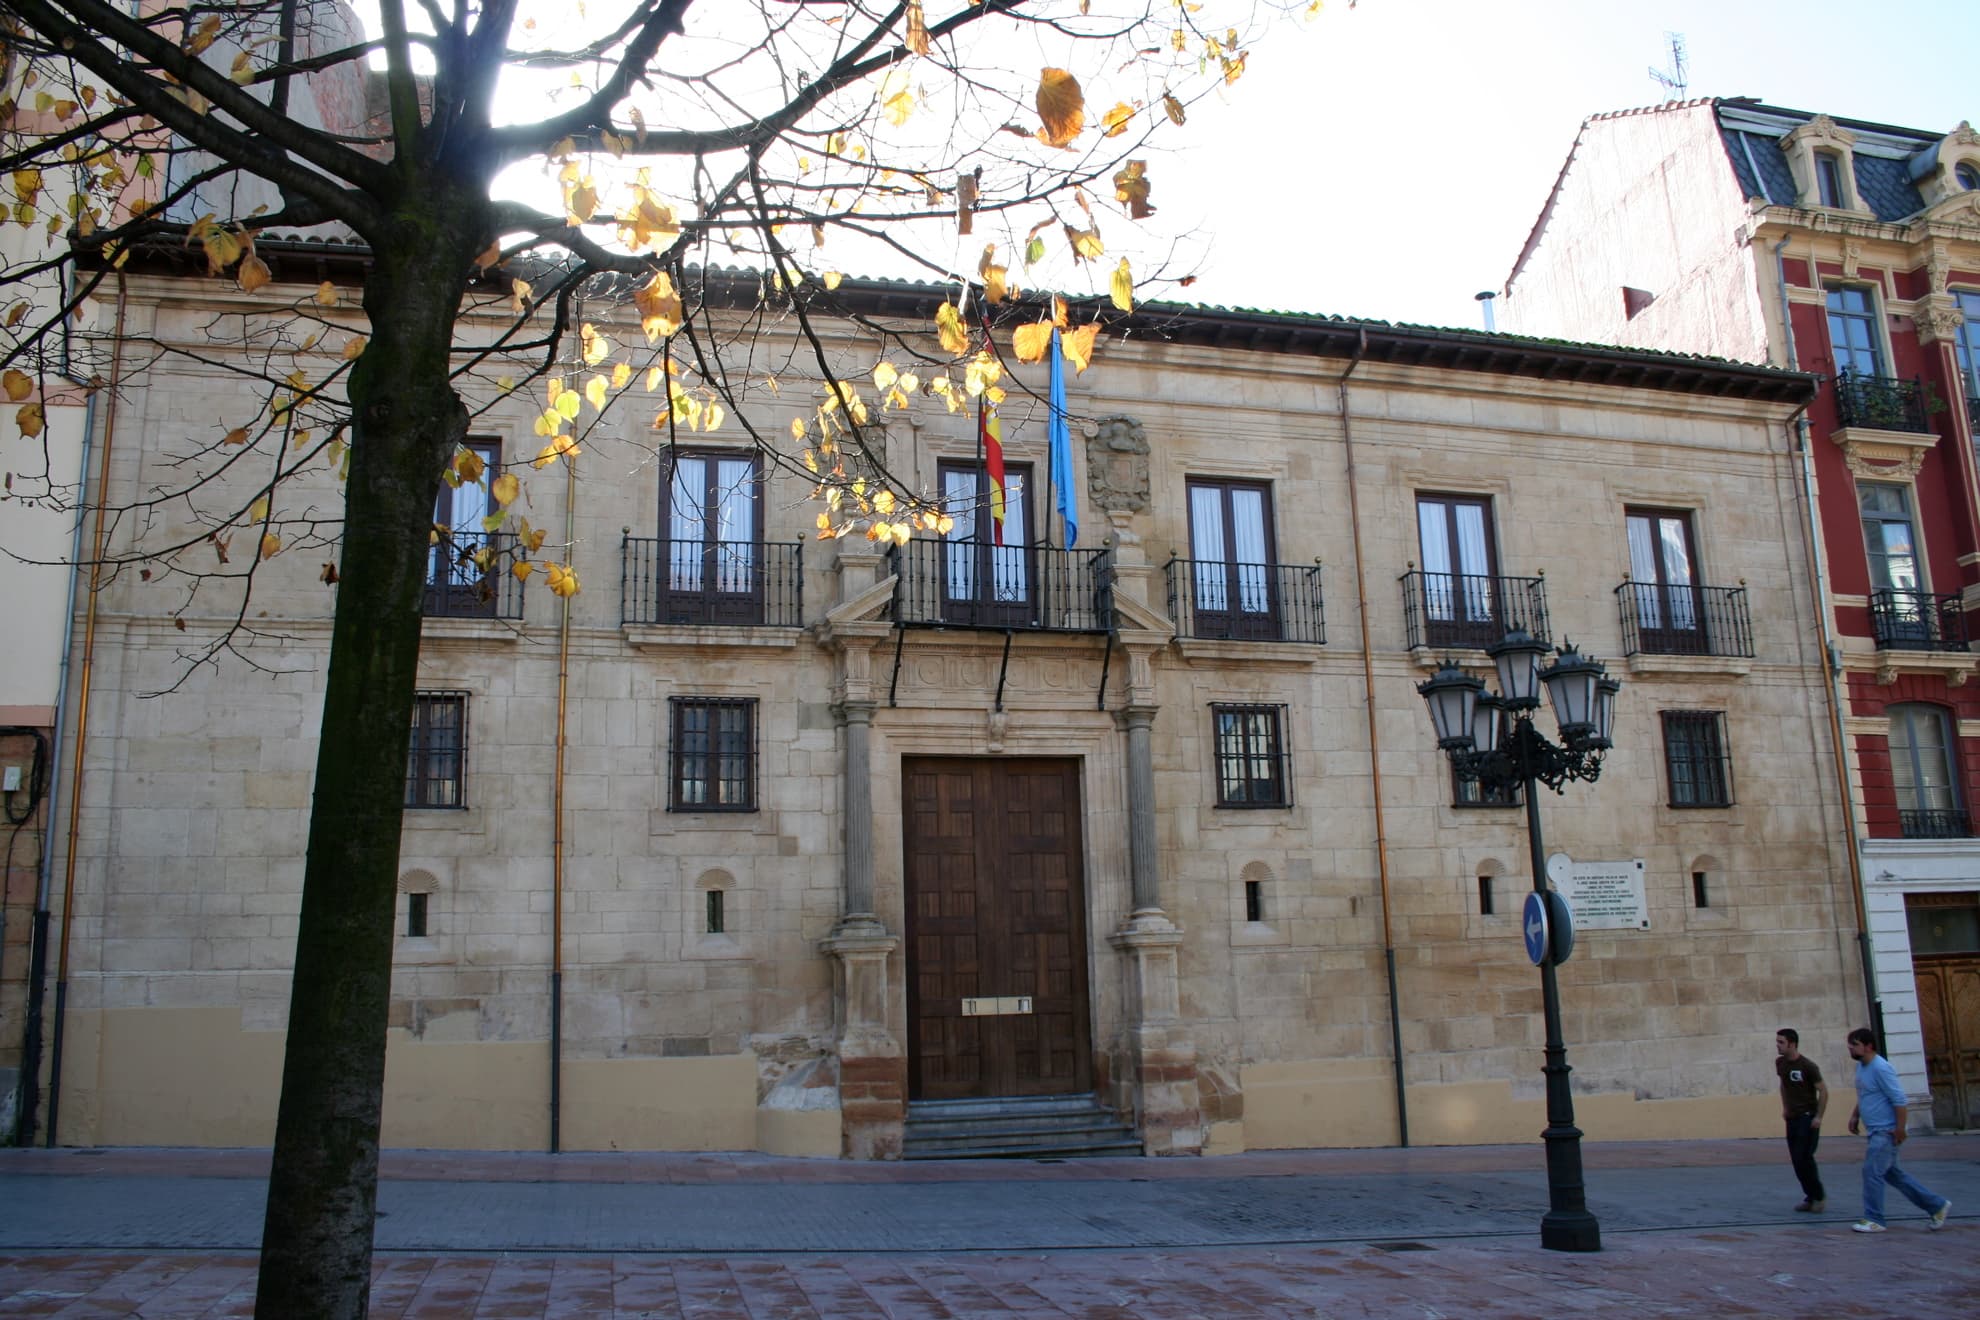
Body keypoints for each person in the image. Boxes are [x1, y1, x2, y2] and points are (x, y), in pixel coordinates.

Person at [1845, 1027, 1952, 1233]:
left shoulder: (1881, 1068)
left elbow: (1899, 1100)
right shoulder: (1861, 1068)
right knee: (1893, 1175)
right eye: (1849, 1044)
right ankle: (1936, 1206)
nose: (1850, 1048)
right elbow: (1865, 1095)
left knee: (1871, 1172)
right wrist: (1855, 1115)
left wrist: (1900, 1129)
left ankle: (1874, 1218)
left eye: (1855, 1044)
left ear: (1868, 1046)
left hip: (1886, 1131)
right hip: (1875, 1130)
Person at [1775, 1028, 1826, 1211]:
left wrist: (1818, 1116)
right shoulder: (1780, 1063)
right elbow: (1783, 1085)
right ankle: (1810, 1197)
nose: (1778, 1046)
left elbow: (1823, 1091)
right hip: (1793, 1118)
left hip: (1807, 1117)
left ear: (1792, 1044)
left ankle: (1818, 1197)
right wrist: (1785, 1107)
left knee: (1804, 1157)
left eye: (1781, 1042)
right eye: (1777, 1042)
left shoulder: (1808, 1066)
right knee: (1796, 1160)